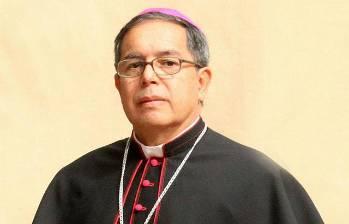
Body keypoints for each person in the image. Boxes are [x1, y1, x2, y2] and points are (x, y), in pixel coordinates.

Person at [33, 8, 324, 224]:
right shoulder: (75, 181)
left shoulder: (259, 180)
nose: (149, 76)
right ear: (119, 85)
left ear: (202, 82)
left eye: (168, 62)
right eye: (134, 65)